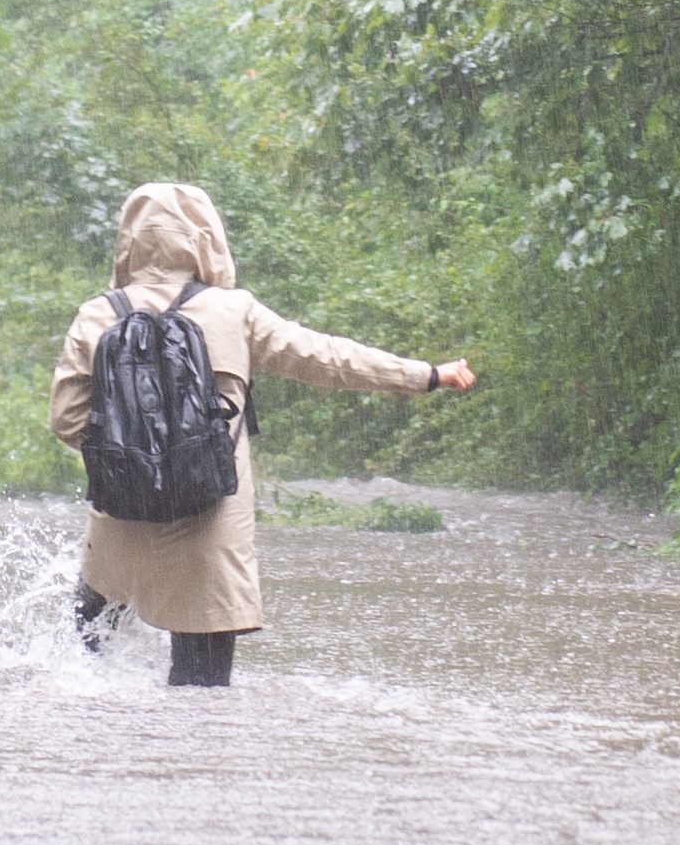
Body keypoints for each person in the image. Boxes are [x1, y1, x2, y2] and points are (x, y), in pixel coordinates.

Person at [48, 182, 476, 688]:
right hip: (210, 519)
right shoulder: (234, 311)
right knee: (202, 697)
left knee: (89, 679)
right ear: (206, 237)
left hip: (122, 517)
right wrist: (425, 374)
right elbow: (328, 358)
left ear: (129, 240)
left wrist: (140, 457)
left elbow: (67, 420)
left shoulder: (97, 314)